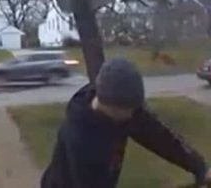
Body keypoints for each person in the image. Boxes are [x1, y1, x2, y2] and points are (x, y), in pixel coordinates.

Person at [41, 58, 211, 188]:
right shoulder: (82, 141)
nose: (132, 116)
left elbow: (159, 136)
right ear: (107, 103)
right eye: (127, 110)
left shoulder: (124, 107)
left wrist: (199, 167)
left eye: (134, 109)